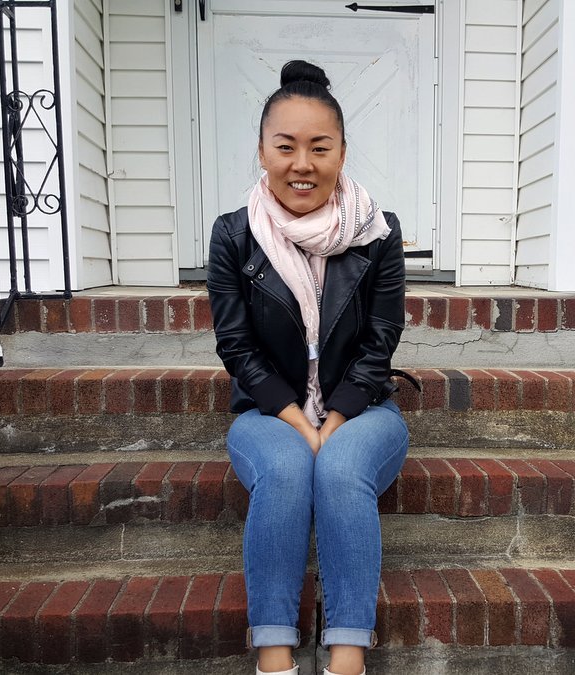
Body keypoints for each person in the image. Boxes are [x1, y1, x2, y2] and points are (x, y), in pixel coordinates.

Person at [206, 59, 410, 675]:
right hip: (269, 410)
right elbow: (237, 348)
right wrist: (300, 422)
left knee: (343, 470)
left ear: (342, 153)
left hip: (364, 408)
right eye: (286, 146)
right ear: (262, 152)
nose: (303, 164)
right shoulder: (233, 236)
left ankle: (347, 657)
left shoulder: (378, 233)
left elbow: (380, 341)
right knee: (287, 469)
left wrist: (336, 418)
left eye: (320, 148)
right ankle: (275, 657)